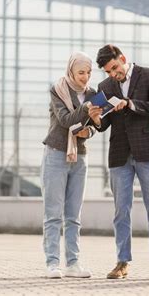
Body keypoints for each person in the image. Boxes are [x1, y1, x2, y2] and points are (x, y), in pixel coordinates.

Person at [87, 44, 149, 280]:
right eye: (108, 72)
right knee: (121, 211)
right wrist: (95, 120)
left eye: (114, 68)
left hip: (148, 151)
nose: (113, 74)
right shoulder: (105, 87)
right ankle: (122, 262)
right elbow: (104, 125)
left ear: (122, 58)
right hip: (120, 154)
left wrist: (130, 103)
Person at [41, 52, 96, 279]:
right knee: (53, 214)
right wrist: (86, 109)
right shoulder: (58, 89)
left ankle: (73, 263)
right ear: (71, 71)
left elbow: (94, 125)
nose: (85, 77)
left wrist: (89, 130)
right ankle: (52, 264)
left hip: (79, 155)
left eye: (89, 72)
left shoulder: (93, 94)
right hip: (56, 154)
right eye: (81, 72)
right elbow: (65, 120)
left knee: (73, 215)